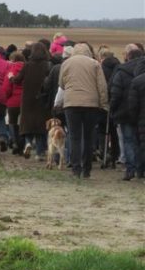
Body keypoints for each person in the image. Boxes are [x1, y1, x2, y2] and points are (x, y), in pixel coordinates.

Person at [59, 43, 108, 179]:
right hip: (91, 104)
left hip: (71, 103)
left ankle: (76, 169)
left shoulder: (66, 63)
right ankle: (87, 169)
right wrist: (103, 104)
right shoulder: (95, 64)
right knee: (88, 137)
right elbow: (102, 86)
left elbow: (61, 84)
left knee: (75, 137)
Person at [110, 45, 145, 180]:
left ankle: (130, 169)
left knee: (129, 141)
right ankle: (141, 169)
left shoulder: (120, 72)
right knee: (140, 142)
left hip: (124, 113)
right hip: (141, 113)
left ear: (127, 56)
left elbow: (115, 93)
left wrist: (112, 109)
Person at [10, 42, 51, 160]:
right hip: (42, 98)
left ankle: (28, 143)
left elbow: (17, 80)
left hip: (27, 98)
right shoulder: (47, 65)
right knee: (41, 126)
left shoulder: (27, 65)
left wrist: (11, 77)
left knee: (27, 124)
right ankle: (39, 152)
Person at [3, 52, 25, 155]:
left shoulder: (11, 70)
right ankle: (22, 145)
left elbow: (7, 88)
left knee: (12, 123)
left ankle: (15, 142)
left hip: (13, 101)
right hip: (25, 101)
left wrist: (7, 97)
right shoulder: (27, 69)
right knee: (23, 123)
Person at [128, 60, 145, 179]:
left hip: (142, 119)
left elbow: (133, 105)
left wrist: (134, 119)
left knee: (142, 146)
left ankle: (141, 171)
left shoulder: (137, 81)